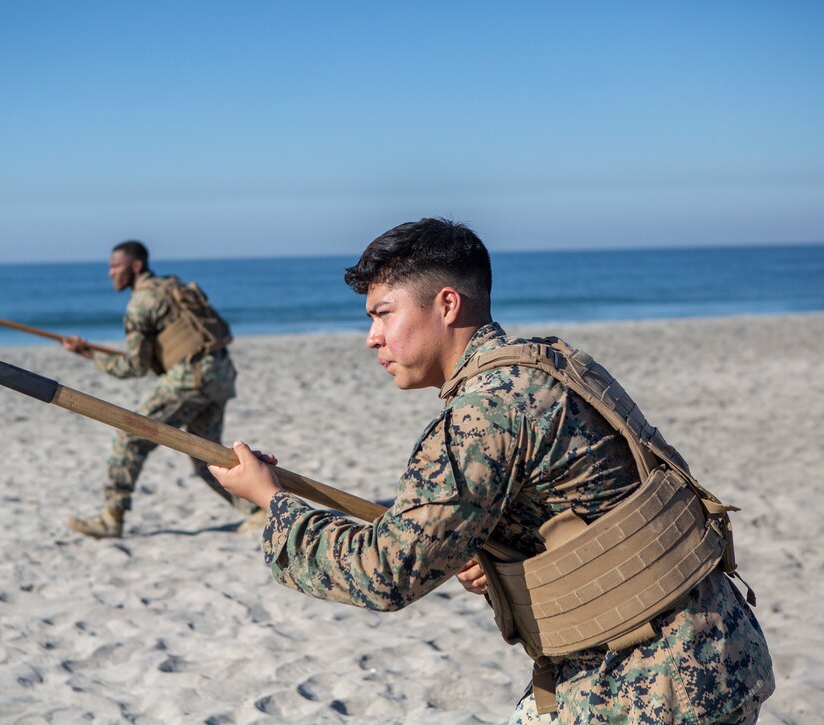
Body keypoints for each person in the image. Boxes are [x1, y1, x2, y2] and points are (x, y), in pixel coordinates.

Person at [208, 218, 775, 723]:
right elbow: (599, 506)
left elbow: (387, 572)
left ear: (447, 305)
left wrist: (274, 505)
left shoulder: (485, 413)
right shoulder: (552, 363)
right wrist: (503, 555)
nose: (371, 337)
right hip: (716, 650)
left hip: (648, 688)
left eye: (384, 314)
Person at [62, 239, 258, 538]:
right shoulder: (171, 286)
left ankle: (111, 519)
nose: (110, 273)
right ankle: (258, 511)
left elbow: (135, 367)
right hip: (219, 373)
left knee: (129, 436)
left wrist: (90, 356)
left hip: (191, 377)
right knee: (208, 456)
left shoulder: (141, 302)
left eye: (116, 266)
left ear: (136, 266)